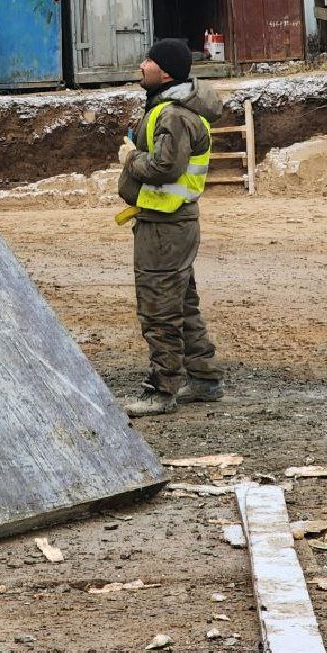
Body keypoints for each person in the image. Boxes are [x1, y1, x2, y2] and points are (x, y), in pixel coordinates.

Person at [116, 38, 224, 417]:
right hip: (171, 222)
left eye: (148, 60)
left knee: (159, 307)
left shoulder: (173, 115)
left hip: (165, 226)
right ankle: (204, 378)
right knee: (182, 303)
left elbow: (165, 167)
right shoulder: (172, 109)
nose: (142, 65)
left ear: (164, 72)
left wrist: (131, 158)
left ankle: (162, 390)